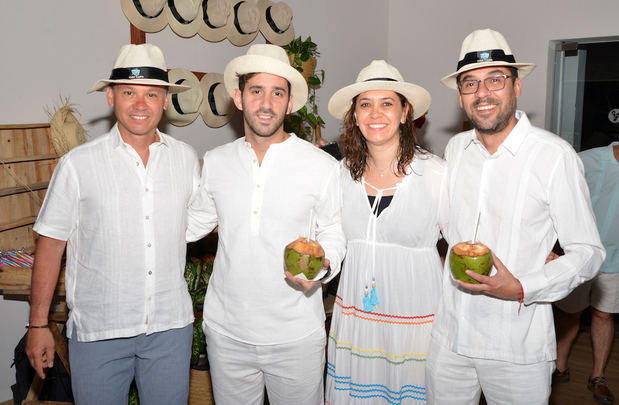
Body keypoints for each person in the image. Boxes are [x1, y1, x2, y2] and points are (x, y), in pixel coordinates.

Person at [425, 28, 606, 404]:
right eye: (470, 83)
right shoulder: (457, 148)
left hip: (516, 342)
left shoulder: (554, 157)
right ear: (460, 97)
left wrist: (525, 286)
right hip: (451, 337)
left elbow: (588, 252)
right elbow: (447, 220)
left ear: (516, 87)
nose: (483, 93)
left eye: (496, 79)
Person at [26, 43, 200, 405]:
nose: (140, 104)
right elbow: (51, 243)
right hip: (100, 331)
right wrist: (38, 324)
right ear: (110, 96)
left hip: (170, 328)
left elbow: (199, 221)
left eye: (152, 94)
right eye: (129, 93)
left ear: (166, 100)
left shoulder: (185, 159)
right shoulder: (77, 164)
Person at [186, 44, 346, 405]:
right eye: (256, 90)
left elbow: (334, 232)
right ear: (239, 98)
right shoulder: (216, 161)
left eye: (278, 93)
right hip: (227, 333)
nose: (267, 103)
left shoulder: (320, 166)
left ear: (290, 104)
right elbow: (192, 223)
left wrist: (322, 266)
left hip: (295, 336)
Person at [324, 60, 446, 404]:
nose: (375, 113)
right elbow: (329, 237)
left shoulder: (435, 175)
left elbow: (470, 239)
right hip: (357, 321)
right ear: (355, 116)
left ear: (405, 112)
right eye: (365, 104)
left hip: (416, 322)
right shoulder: (340, 175)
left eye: (387, 103)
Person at [554, 140, 619, 405]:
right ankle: (559, 368)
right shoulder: (586, 160)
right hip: (580, 255)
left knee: (603, 315)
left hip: (615, 259)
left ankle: (598, 376)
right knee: (571, 314)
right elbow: (557, 198)